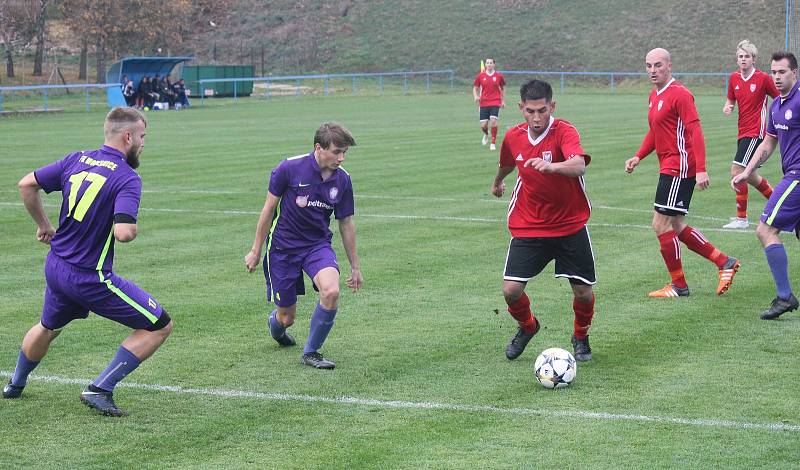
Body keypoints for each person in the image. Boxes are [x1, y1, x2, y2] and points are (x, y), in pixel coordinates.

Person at [2, 108, 173, 416]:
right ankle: (99, 389)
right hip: (90, 277)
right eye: (143, 137)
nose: (144, 144)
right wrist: (128, 227)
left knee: (48, 326)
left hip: (57, 265)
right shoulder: (127, 177)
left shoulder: (76, 159)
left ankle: (15, 383)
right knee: (159, 325)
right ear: (128, 136)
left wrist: (43, 225)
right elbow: (123, 233)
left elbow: (26, 184)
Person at [491, 79, 596, 362]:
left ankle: (581, 336)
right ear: (520, 108)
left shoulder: (564, 131)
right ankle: (528, 327)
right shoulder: (513, 136)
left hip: (569, 224)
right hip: (530, 225)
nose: (536, 118)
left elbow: (579, 164)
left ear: (552, 106)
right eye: (530, 111)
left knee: (583, 293)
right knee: (511, 291)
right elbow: (508, 160)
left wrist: (553, 166)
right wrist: (499, 181)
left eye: (542, 111)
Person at [245, 122, 363, 369]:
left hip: (317, 247)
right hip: (283, 248)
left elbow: (346, 223)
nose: (341, 158)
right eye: (337, 152)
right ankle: (277, 325)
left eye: (345, 153)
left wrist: (355, 266)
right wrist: (256, 250)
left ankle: (311, 352)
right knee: (286, 318)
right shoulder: (289, 168)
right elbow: (268, 210)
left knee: (331, 291)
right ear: (319, 148)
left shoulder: (343, 180)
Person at [625, 48, 741, 298]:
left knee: (660, 223)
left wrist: (701, 169)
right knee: (675, 224)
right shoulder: (654, 95)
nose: (652, 71)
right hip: (668, 165)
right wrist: (638, 156)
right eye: (648, 66)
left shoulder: (681, 95)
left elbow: (695, 132)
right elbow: (655, 132)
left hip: (679, 166)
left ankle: (679, 285)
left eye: (658, 65)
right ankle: (724, 262)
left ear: (669, 66)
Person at [732, 51, 800, 319]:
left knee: (765, 230)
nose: (777, 77)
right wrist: (747, 171)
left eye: (782, 72)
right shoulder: (777, 106)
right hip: (792, 174)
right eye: (774, 72)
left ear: (795, 72)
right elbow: (769, 142)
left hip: (797, 176)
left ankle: (785, 297)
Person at [722, 40, 780, 229]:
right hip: (742, 132)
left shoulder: (763, 78)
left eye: (747, 56)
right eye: (740, 56)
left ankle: (742, 219)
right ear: (737, 59)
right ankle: (782, 207)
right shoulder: (733, 78)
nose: (743, 59)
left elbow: (779, 98)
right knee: (752, 176)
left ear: (754, 59)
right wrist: (728, 106)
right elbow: (731, 99)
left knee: (737, 171)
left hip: (757, 133)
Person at [473, 58, 506, 151]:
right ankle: (486, 133)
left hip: (495, 101)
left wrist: (503, 101)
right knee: (483, 125)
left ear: (494, 64)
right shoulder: (480, 76)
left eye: (491, 63)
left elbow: (503, 88)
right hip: (483, 103)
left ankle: (493, 143)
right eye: (487, 63)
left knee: (493, 121)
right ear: (486, 65)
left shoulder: (499, 76)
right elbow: (475, 88)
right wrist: (476, 96)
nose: (489, 64)